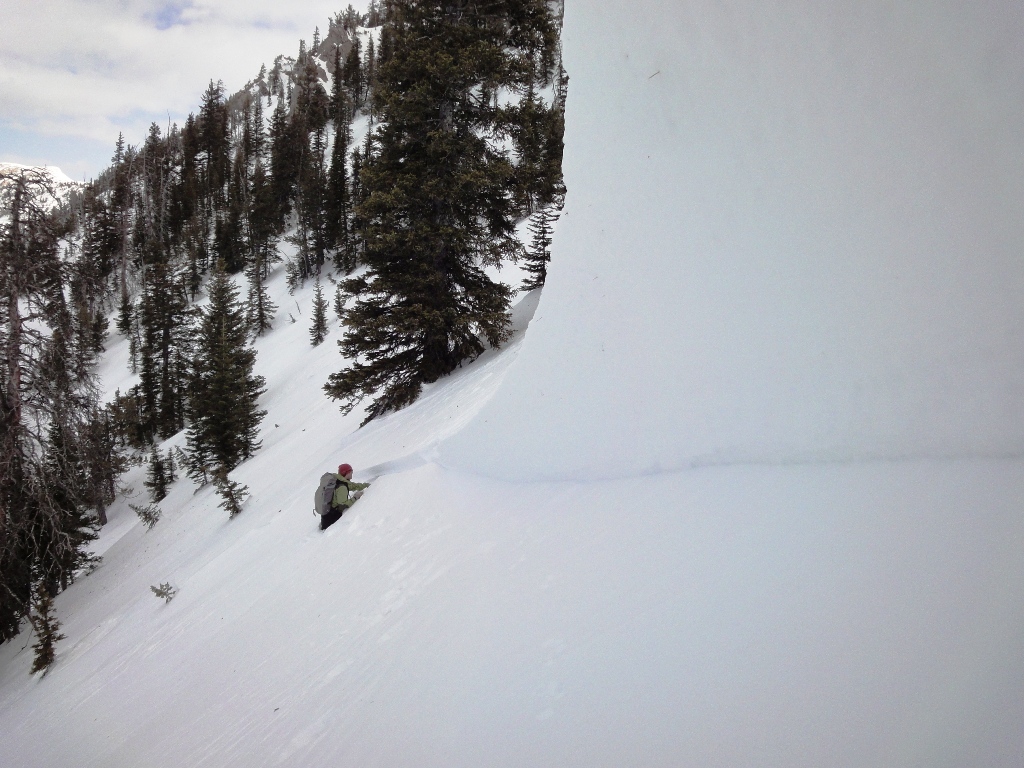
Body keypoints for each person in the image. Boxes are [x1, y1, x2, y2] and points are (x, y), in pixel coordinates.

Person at [320, 463, 370, 530]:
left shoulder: (337, 480)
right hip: (332, 519)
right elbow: (343, 505)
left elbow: (353, 486)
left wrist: (366, 485)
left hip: (325, 516)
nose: (352, 474)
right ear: (347, 473)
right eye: (351, 472)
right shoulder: (342, 487)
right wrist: (355, 497)